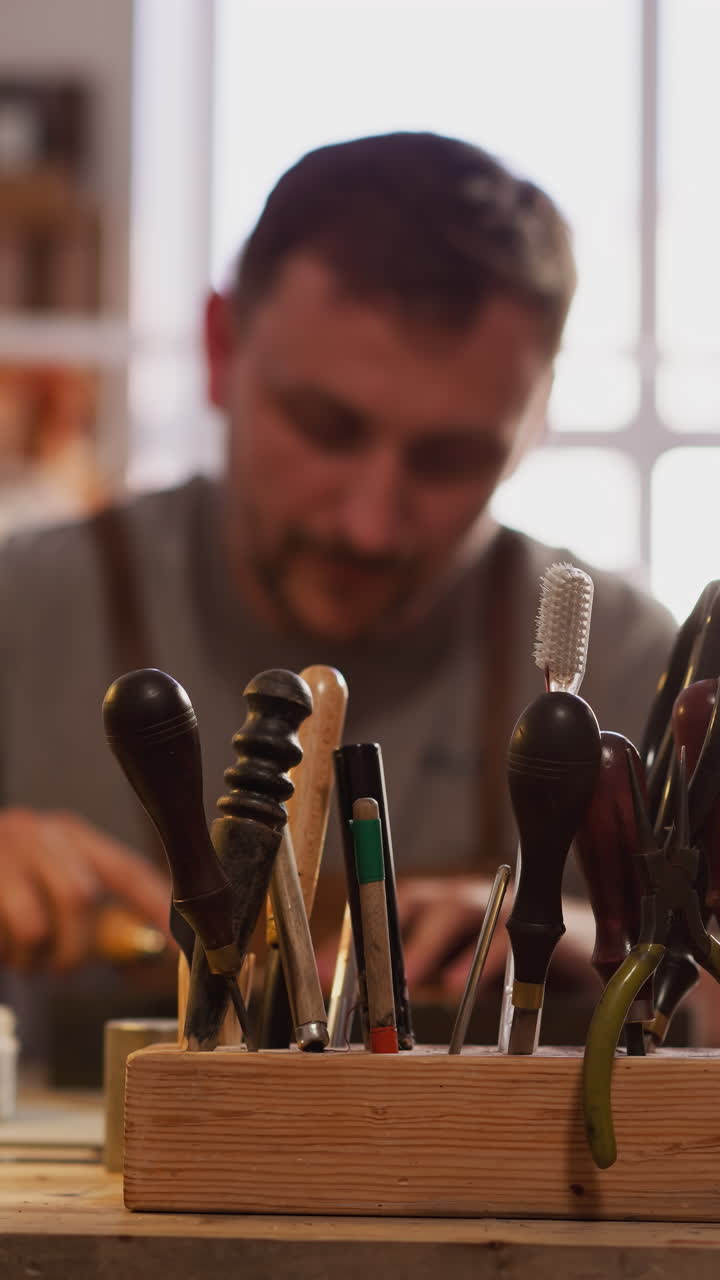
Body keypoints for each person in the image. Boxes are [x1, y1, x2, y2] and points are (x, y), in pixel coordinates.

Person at [0, 132, 678, 1058]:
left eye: (451, 459)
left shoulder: (638, 674)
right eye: (325, 427)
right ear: (218, 346)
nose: (369, 522)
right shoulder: (20, 611)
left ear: (536, 416)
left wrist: (588, 927)